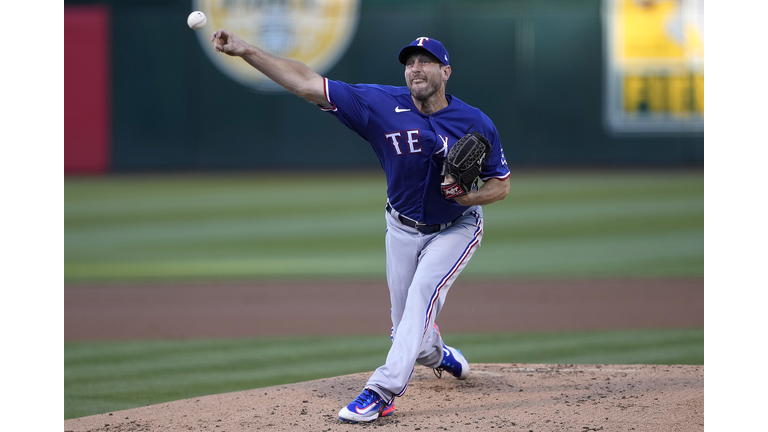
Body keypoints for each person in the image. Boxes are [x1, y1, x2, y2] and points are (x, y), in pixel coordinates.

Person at [211, 30, 511, 423]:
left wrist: (466, 198)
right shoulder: (378, 104)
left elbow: (500, 184)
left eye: (425, 61)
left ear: (446, 71)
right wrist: (247, 50)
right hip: (401, 227)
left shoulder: (475, 122)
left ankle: (380, 391)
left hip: (455, 227)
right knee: (408, 332)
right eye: (409, 62)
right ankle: (437, 354)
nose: (415, 68)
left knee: (423, 293)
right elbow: (305, 82)